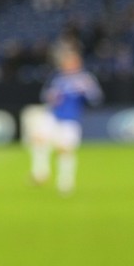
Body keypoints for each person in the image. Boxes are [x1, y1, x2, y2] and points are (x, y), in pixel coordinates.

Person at [28, 46, 103, 196]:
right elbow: (46, 96)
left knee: (65, 151)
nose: (68, 64)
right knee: (38, 138)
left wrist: (86, 91)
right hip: (54, 116)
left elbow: (96, 98)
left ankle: (65, 183)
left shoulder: (85, 79)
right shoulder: (58, 78)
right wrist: (52, 97)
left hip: (70, 120)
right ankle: (41, 172)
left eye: (72, 61)